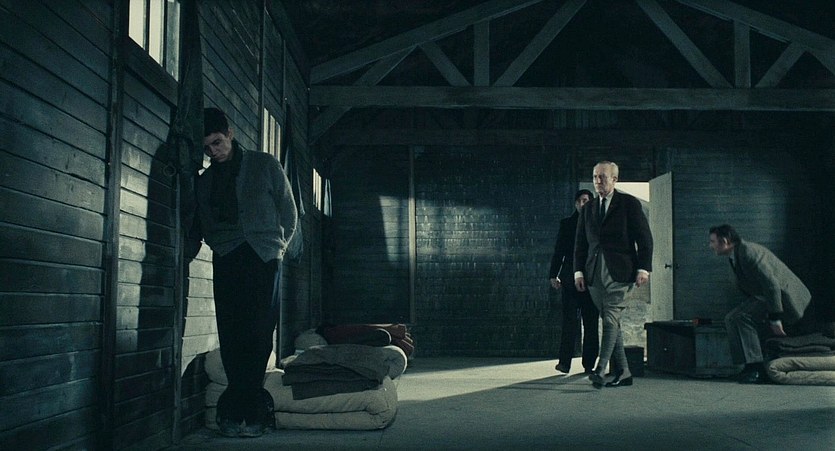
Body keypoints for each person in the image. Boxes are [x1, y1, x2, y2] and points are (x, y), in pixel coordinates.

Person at [187, 107, 298, 437]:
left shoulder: (265, 165)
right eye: (207, 148)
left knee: (259, 333)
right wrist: (219, 244)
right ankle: (236, 415)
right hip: (228, 258)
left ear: (230, 134)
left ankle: (251, 414)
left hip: (264, 258)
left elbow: (289, 210)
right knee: (232, 333)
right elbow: (204, 221)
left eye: (217, 143)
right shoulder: (205, 181)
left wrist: (279, 248)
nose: (213, 152)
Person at [574, 161, 652, 388]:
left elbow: (645, 239)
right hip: (594, 275)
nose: (598, 181)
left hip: (621, 273)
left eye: (603, 177)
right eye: (595, 177)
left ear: (615, 179)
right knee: (612, 321)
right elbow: (580, 243)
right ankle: (624, 371)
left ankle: (600, 369)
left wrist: (644, 268)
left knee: (609, 319)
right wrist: (578, 272)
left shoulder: (629, 204)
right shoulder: (588, 208)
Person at [708, 224, 812, 384]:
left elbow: (772, 285)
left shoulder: (748, 252)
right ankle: (749, 366)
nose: (710, 246)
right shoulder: (736, 254)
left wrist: (775, 319)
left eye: (713, 241)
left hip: (785, 298)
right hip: (764, 296)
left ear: (725, 241)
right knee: (731, 318)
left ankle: (756, 368)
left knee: (739, 317)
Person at [550, 189, 599, 374]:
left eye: (587, 200)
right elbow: (559, 251)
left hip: (592, 280)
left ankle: (589, 364)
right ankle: (564, 363)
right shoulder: (567, 224)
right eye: (581, 200)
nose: (583, 203)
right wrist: (553, 274)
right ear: (576, 204)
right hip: (570, 279)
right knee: (569, 322)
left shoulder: (598, 223)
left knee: (591, 323)